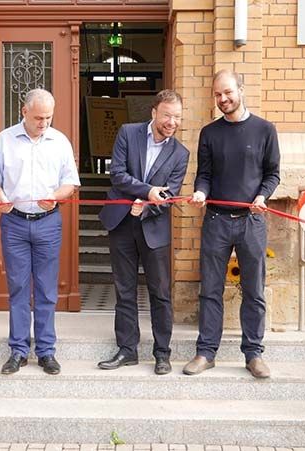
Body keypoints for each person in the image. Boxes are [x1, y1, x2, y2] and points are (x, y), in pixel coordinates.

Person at [184, 69, 280, 379]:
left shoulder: (265, 130)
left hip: (251, 220)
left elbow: (272, 174)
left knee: (253, 290)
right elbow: (205, 174)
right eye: (217, 95)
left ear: (241, 89)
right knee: (210, 289)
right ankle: (205, 352)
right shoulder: (209, 133)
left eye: (228, 92)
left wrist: (263, 196)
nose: (223, 99)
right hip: (216, 220)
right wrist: (201, 191)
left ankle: (253, 354)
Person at [0, 88, 80, 376]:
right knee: (18, 288)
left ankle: (47, 351)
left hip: (49, 222)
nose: (44, 123)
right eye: (38, 117)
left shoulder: (59, 141)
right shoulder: (4, 140)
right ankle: (18, 350)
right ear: (24, 112)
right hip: (14, 222)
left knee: (47, 289)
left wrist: (56, 195)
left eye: (48, 118)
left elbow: (70, 183)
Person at [97, 89, 190, 375]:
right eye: (166, 115)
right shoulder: (128, 133)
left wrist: (148, 207)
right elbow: (118, 174)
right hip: (122, 222)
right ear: (154, 112)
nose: (171, 122)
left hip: (154, 228)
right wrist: (147, 192)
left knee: (160, 293)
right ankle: (127, 350)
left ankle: (162, 353)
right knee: (124, 290)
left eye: (176, 117)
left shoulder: (181, 153)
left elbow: (171, 194)